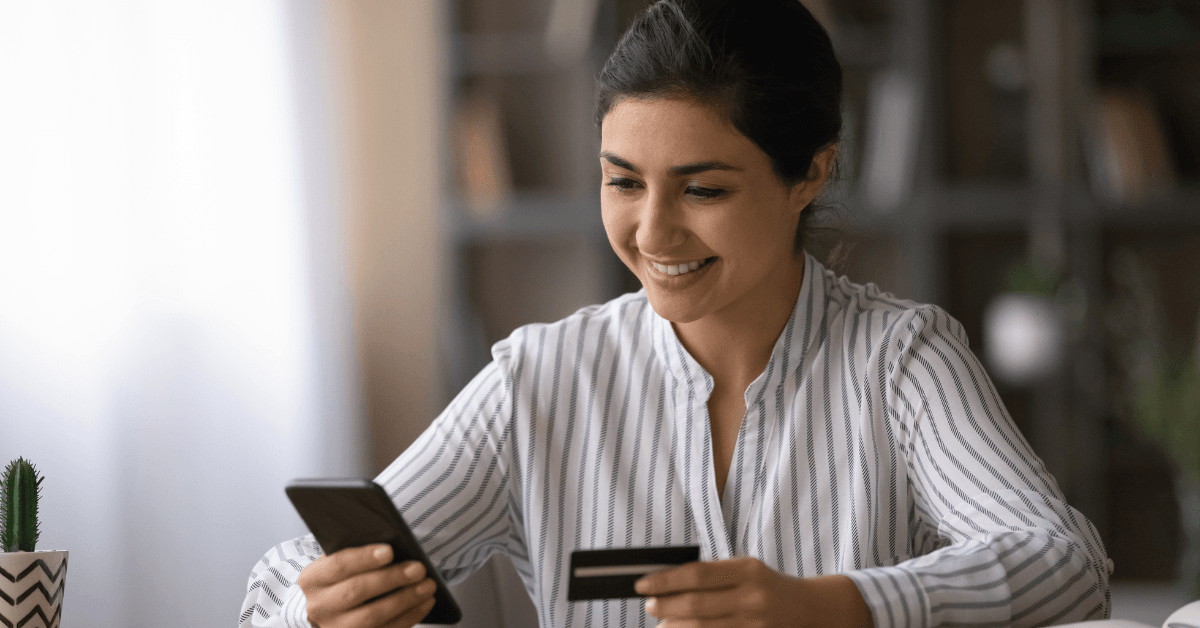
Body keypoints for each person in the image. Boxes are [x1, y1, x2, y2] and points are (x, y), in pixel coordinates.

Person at [240, 1, 1112, 626]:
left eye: (702, 188)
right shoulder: (539, 381)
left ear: (810, 172)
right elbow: (281, 579)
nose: (652, 231)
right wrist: (317, 612)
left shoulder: (900, 359)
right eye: (623, 181)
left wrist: (832, 607)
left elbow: (1064, 564)